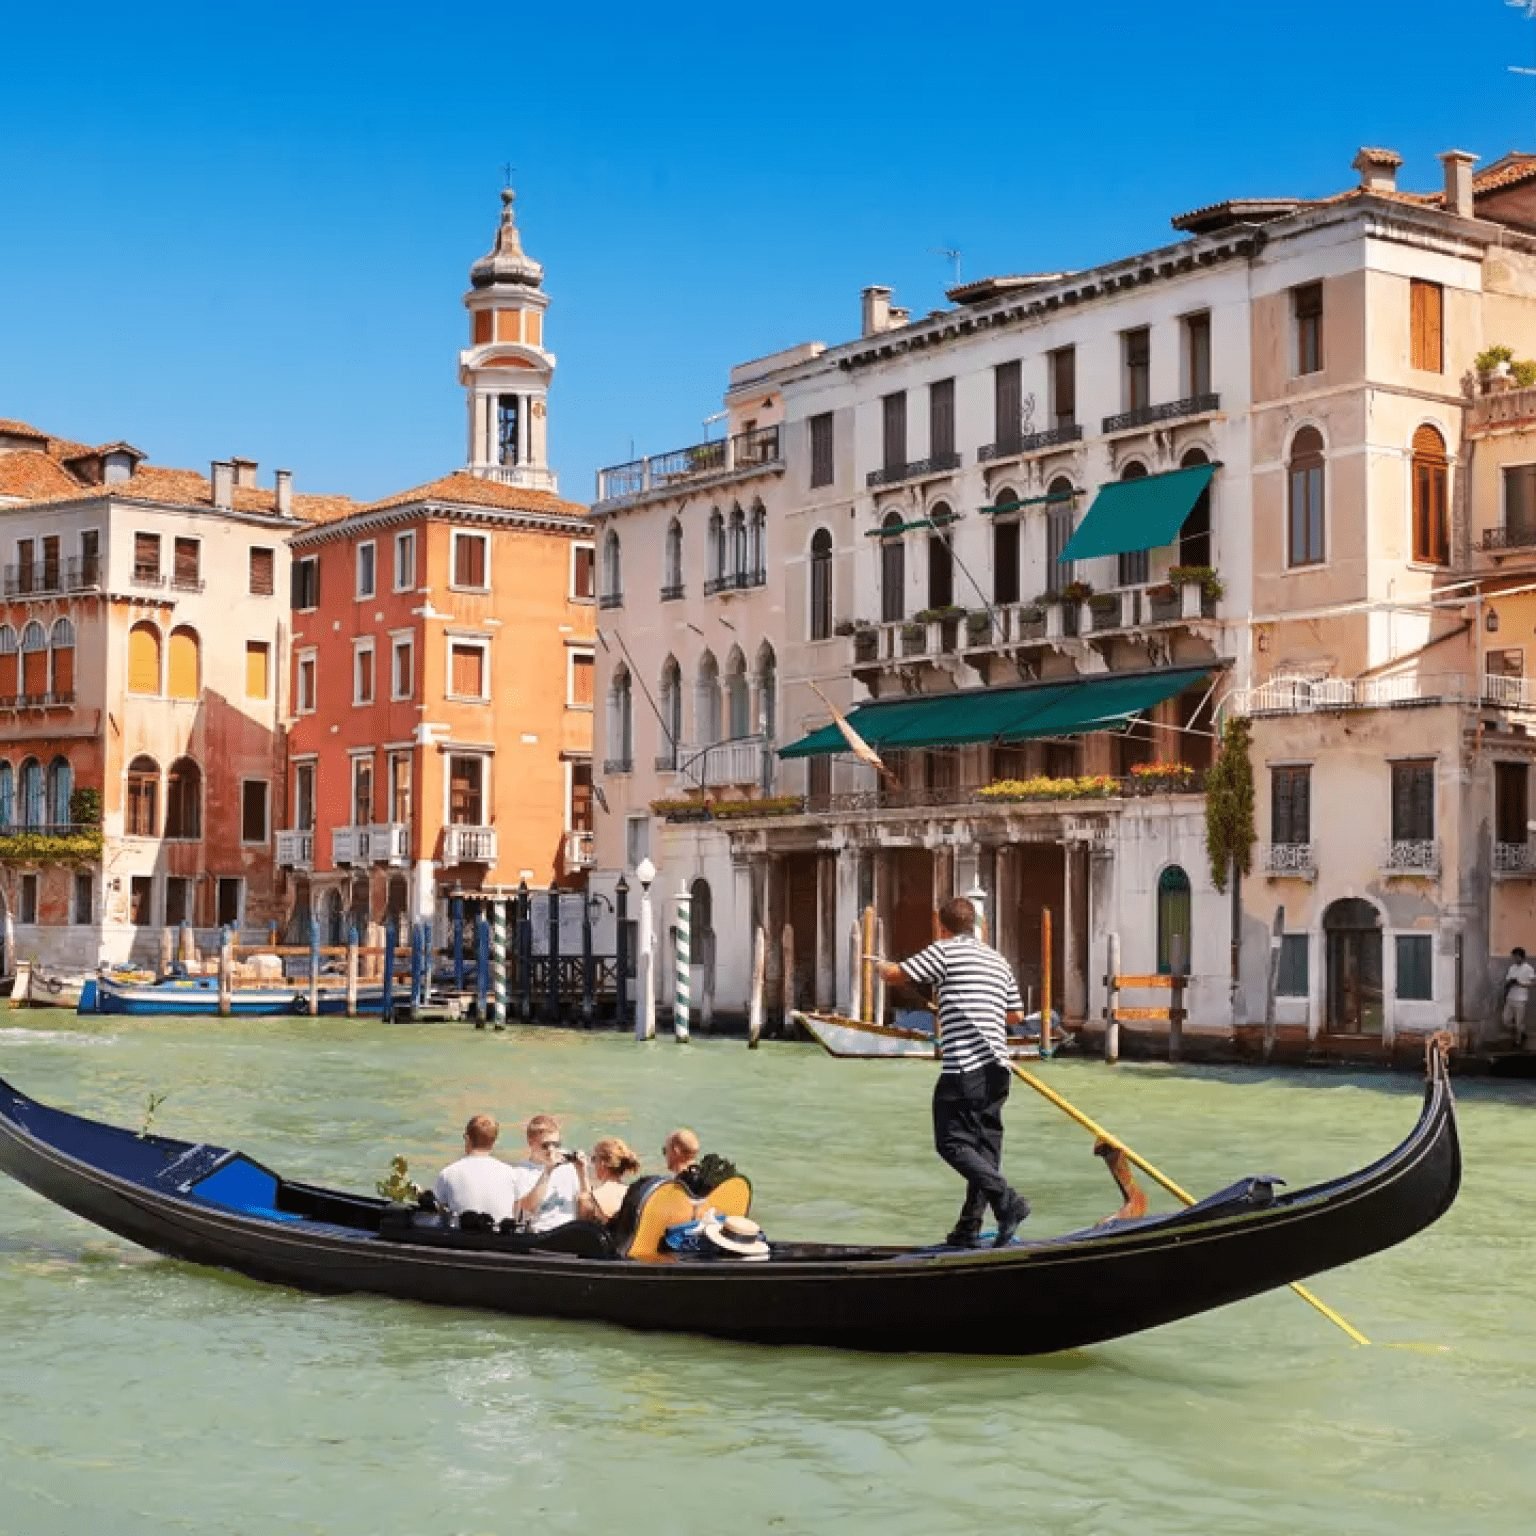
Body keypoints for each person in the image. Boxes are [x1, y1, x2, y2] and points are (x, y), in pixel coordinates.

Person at [878, 896, 1031, 1250]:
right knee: (983, 1150)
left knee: (951, 1142)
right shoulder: (998, 960)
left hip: (965, 1066)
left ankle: (1008, 1201)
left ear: (941, 926)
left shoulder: (944, 951)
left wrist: (879, 965)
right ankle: (969, 1228)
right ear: (974, 925)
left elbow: (896, 974)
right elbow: (1015, 1017)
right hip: (998, 1068)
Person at [433, 1113, 522, 1225]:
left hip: (462, 1238)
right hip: (500, 1239)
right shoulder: (511, 1174)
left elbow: (439, 1212)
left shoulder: (448, 1173)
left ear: (467, 1138)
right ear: (494, 1142)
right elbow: (517, 1214)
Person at [509, 1114, 587, 1233]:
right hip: (540, 1234)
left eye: (556, 1144)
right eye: (545, 1145)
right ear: (531, 1143)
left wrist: (582, 1173)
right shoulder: (520, 1171)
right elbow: (528, 1207)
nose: (551, 1149)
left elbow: (587, 1207)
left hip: (569, 1233)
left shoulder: (569, 1167)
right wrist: (548, 1171)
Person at [584, 1137, 641, 1223]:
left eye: (594, 1159)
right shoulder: (633, 1193)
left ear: (603, 1163)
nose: (593, 1164)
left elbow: (582, 1232)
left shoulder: (591, 1198)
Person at [1503, 947, 1535, 1048]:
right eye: (1514, 956)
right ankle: (1522, 1031)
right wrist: (1510, 983)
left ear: (1521, 957)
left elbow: (1534, 983)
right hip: (1510, 998)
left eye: (1516, 956)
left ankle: (1518, 1040)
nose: (1515, 958)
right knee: (1506, 1020)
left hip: (1521, 999)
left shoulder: (1528, 968)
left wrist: (1520, 984)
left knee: (1518, 1022)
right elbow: (1507, 980)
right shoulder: (1512, 968)